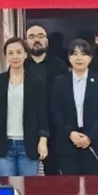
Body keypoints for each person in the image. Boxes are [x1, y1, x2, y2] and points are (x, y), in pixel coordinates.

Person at [0, 37, 48, 176]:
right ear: (6, 56)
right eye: (11, 53)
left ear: (25, 54)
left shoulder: (36, 82)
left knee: (28, 188)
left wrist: (43, 140)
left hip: (28, 144)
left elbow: (42, 114)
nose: (15, 56)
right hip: (3, 144)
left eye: (19, 52)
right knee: (6, 187)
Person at [51, 39, 98, 175]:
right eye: (75, 54)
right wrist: (70, 133)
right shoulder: (60, 82)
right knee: (69, 185)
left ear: (90, 58)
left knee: (94, 185)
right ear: (69, 58)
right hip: (68, 144)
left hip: (95, 143)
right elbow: (55, 111)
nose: (79, 58)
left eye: (84, 54)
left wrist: (90, 136)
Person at [23, 24, 68, 175]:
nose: (36, 40)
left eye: (40, 36)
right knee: (27, 175)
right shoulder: (20, 65)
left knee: (54, 174)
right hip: (27, 126)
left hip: (55, 127)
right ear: (26, 42)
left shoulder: (60, 66)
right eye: (32, 37)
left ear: (47, 41)